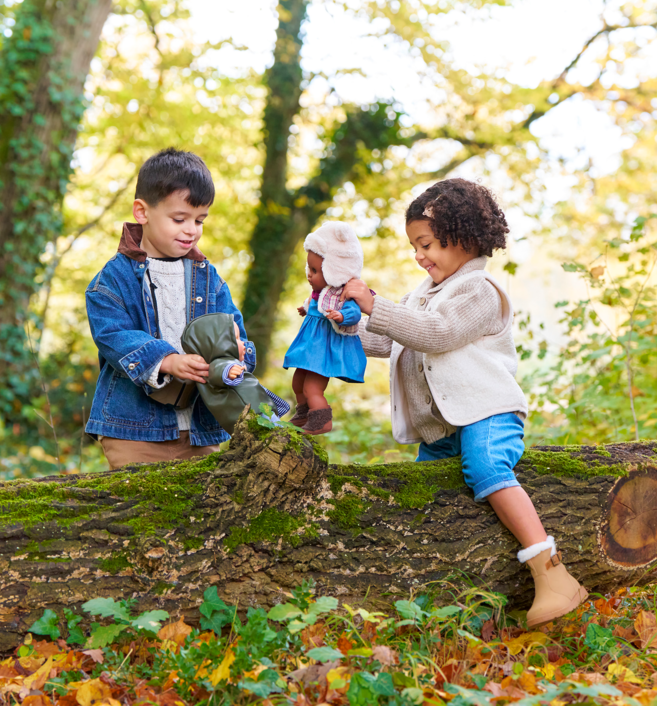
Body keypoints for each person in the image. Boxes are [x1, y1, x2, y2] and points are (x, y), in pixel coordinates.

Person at [343, 178, 587, 627]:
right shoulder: (423, 295)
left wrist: (375, 303)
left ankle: (553, 574)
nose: (419, 255)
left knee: (486, 468)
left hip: (488, 412)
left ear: (465, 237)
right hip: (441, 426)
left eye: (427, 243)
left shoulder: (478, 291)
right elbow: (393, 341)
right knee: (424, 494)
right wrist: (338, 326)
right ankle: (435, 589)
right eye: (415, 246)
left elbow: (436, 334)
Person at [85, 147, 256, 469]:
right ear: (142, 212)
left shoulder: (209, 278)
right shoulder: (113, 279)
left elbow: (237, 335)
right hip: (133, 430)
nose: (191, 229)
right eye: (179, 219)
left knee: (202, 509)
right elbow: (112, 334)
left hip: (199, 428)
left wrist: (238, 352)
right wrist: (167, 360)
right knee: (139, 507)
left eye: (199, 220)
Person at [283, 221, 367, 435]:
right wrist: (305, 309)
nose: (309, 275)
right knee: (298, 382)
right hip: (309, 349)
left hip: (323, 353)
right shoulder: (319, 294)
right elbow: (315, 305)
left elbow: (355, 312)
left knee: (312, 387)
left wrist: (341, 316)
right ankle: (304, 414)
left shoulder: (342, 294)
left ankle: (322, 420)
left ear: (334, 271)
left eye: (315, 270)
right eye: (308, 268)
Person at [180, 314, 289, 434]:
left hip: (258, 409)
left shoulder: (229, 361)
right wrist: (228, 370)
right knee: (274, 434)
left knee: (277, 432)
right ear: (220, 344)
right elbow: (218, 371)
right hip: (253, 413)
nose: (243, 343)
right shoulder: (218, 364)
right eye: (236, 339)